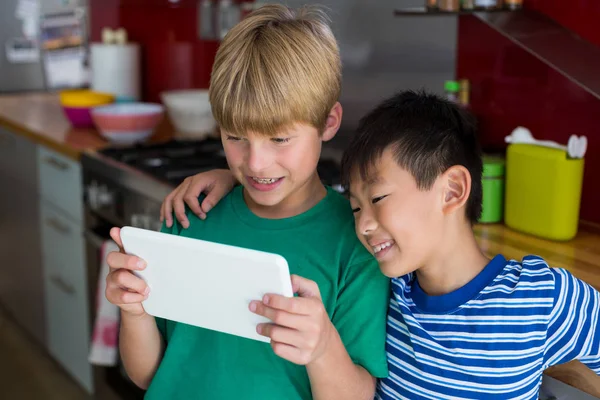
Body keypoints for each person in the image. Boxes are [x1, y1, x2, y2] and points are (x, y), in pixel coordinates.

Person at [162, 90, 600, 399]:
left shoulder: (540, 297)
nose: (364, 225)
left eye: (377, 199)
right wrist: (235, 180)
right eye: (355, 208)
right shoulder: (390, 288)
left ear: (451, 191)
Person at [104, 5, 389, 400]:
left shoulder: (357, 245)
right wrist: (133, 310)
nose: (255, 163)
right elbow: (149, 376)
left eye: (279, 139)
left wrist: (322, 348)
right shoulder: (190, 218)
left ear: (328, 122)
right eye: (235, 137)